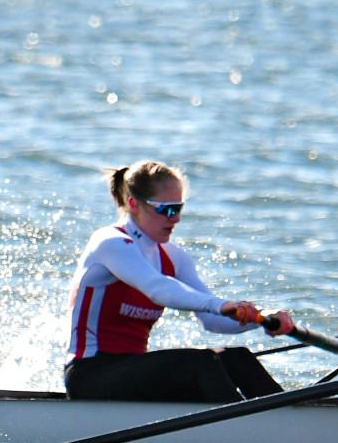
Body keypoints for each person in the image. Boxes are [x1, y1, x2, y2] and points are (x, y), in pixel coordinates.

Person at [64, 161, 293, 403]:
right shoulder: (110, 243)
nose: (176, 219)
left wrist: (261, 319)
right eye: (167, 209)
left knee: (237, 359)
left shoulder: (173, 257)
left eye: (179, 208)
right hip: (90, 374)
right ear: (133, 204)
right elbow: (158, 289)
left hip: (133, 372)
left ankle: (290, 420)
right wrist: (222, 304)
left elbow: (213, 321)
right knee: (200, 364)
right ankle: (244, 430)